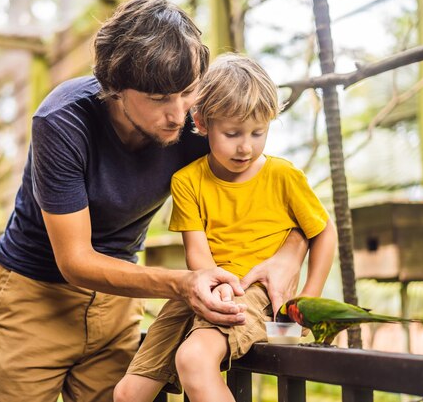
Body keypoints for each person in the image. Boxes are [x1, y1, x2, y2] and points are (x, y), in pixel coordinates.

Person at [0, 0, 308, 402]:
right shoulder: (62, 122)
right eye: (158, 99)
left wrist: (290, 254)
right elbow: (75, 260)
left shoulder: (199, 120)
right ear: (114, 88)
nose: (178, 114)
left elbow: (279, 192)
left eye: (187, 92)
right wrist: (183, 284)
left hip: (120, 299)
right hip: (34, 297)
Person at [113, 53, 337, 402]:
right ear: (202, 123)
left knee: (194, 359)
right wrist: (211, 286)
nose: (246, 146)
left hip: (252, 291)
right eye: (232, 133)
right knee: (128, 393)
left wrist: (305, 301)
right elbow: (197, 253)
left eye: (258, 132)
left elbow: (323, 231)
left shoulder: (284, 176)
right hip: (202, 287)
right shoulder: (187, 181)